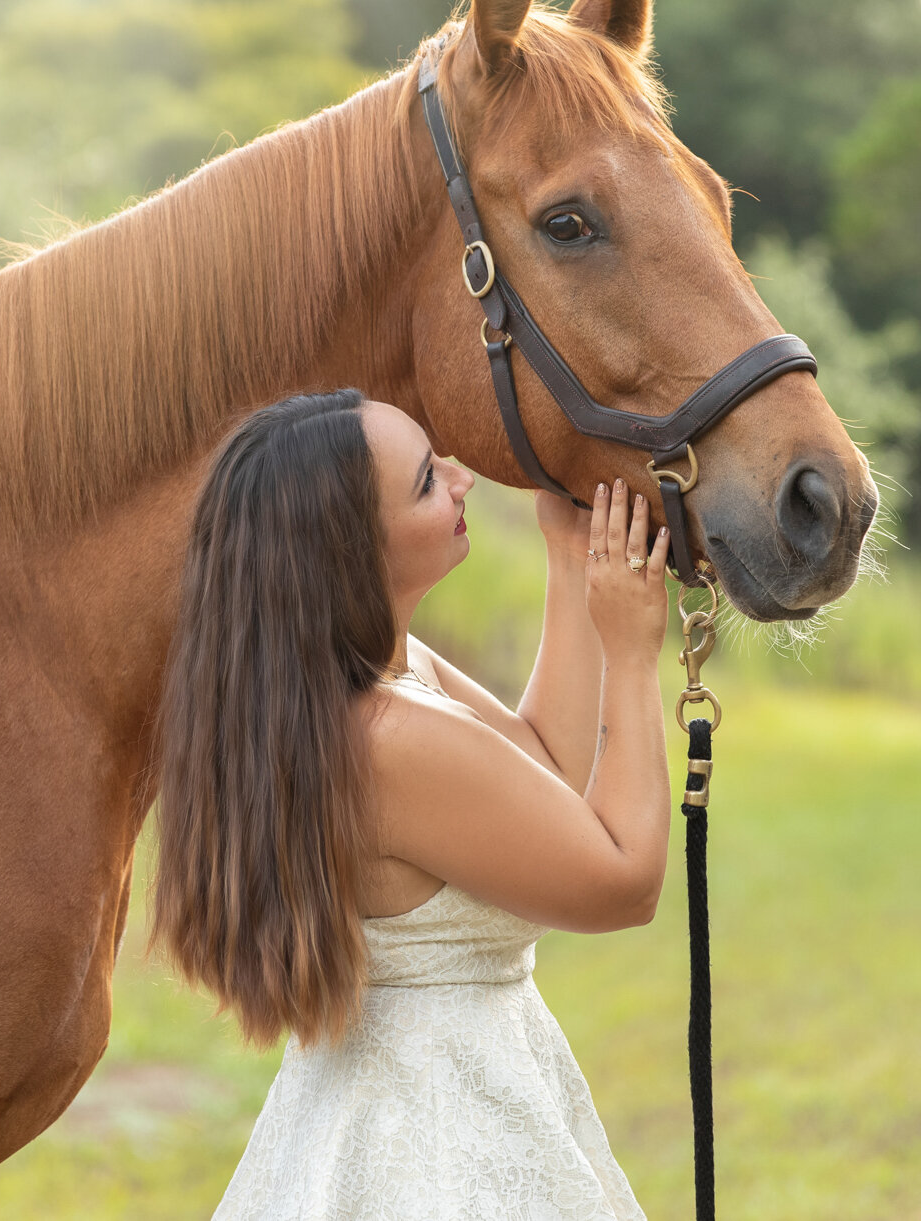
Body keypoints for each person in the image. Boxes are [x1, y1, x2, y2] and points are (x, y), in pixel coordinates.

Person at [153, 387, 674, 1220]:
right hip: (440, 1135)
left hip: (385, 1107)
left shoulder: (367, 687)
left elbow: (537, 767)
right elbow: (623, 879)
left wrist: (568, 558)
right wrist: (634, 654)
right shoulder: (391, 741)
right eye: (429, 481)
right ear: (355, 550)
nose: (464, 481)